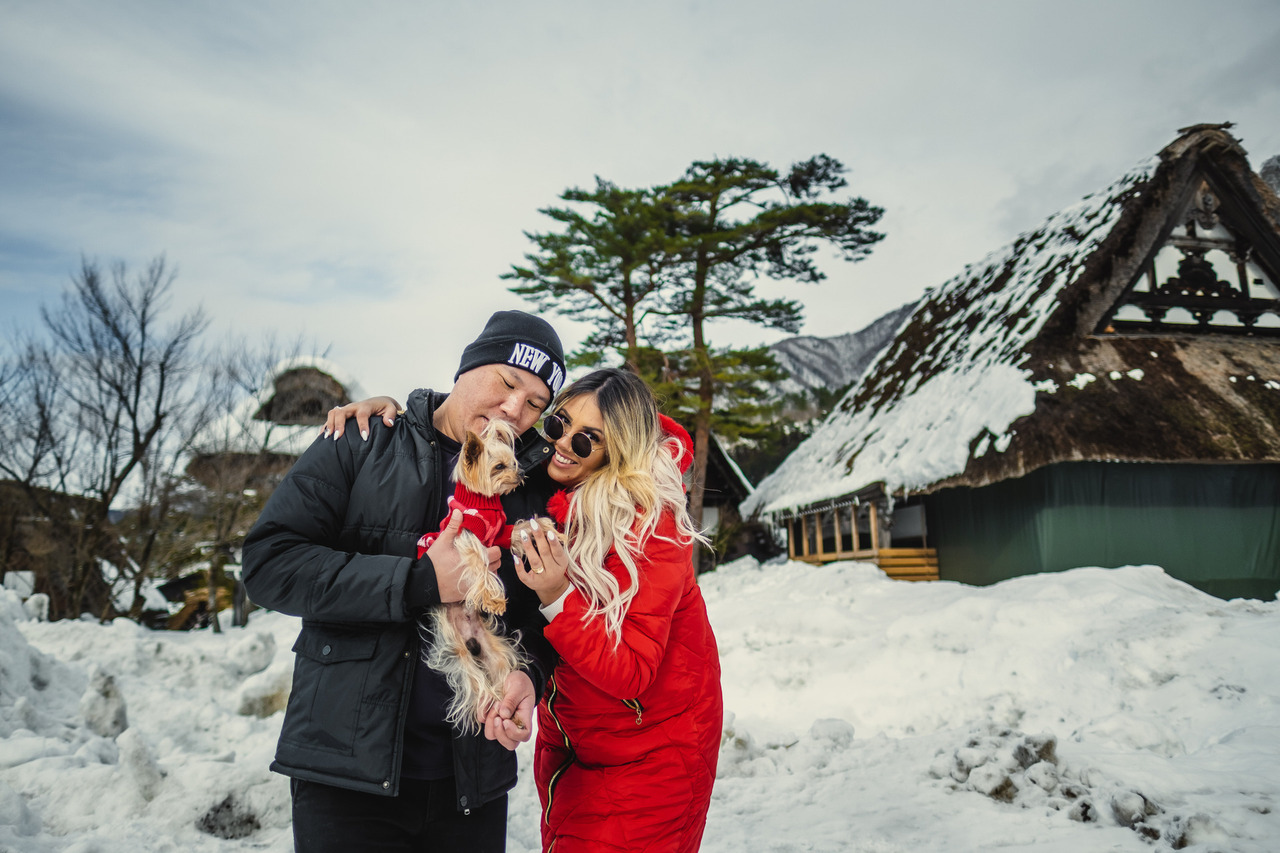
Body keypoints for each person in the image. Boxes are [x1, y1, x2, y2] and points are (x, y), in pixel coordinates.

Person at [334, 368, 723, 852]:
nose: (562, 444)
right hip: (576, 744)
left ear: (618, 451)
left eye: (587, 442)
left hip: (653, 757)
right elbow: (465, 431)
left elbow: (631, 672)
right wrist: (396, 417)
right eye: (558, 424)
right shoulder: (559, 486)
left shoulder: (651, 525)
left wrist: (558, 594)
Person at [241, 310, 566, 853]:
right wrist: (418, 581)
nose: (515, 408)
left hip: (472, 782)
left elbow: (535, 616)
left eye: (535, 402)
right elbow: (270, 563)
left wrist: (527, 676)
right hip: (347, 776)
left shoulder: (525, 486)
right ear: (468, 367)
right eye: (507, 383)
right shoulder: (363, 438)